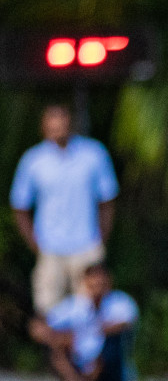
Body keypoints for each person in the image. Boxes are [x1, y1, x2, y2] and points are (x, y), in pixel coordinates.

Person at [10, 103, 119, 315]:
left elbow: (107, 200)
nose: (58, 128)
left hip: (87, 246)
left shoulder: (93, 154)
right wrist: (36, 243)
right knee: (48, 311)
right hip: (50, 247)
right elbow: (20, 206)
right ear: (44, 127)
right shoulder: (33, 161)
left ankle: (89, 349)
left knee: (89, 311)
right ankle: (55, 349)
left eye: (62, 122)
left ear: (71, 123)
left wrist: (100, 239)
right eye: (52, 124)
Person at [29, 262, 138, 381]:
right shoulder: (75, 305)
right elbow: (39, 327)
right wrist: (60, 338)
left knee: (111, 343)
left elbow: (123, 325)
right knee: (57, 347)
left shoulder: (120, 302)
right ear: (85, 282)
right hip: (79, 360)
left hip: (108, 364)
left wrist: (85, 332)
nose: (97, 287)